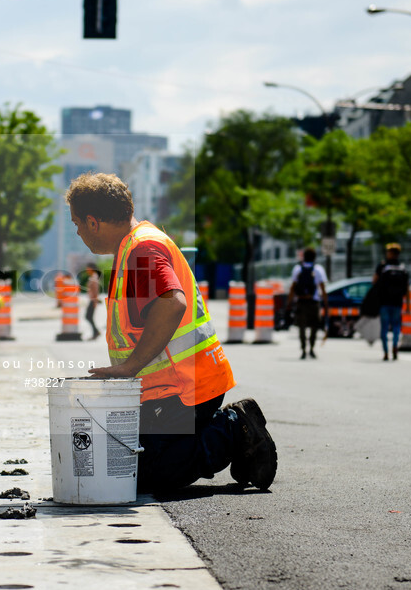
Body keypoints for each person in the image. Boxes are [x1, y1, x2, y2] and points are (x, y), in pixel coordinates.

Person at [65, 172, 277, 492]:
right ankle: (220, 432)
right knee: (123, 465)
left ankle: (235, 429)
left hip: (184, 389)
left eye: (77, 223)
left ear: (93, 222)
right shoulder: (135, 246)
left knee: (147, 474)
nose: (78, 232)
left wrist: (129, 367)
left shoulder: (142, 249)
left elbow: (172, 303)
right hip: (173, 389)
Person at [286, 247, 329, 360]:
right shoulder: (318, 269)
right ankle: (312, 348)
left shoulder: (297, 269)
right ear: (314, 257)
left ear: (303, 257)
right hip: (314, 302)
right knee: (314, 326)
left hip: (301, 302)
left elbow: (292, 288)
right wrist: (325, 303)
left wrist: (289, 303)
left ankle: (303, 349)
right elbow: (323, 288)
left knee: (302, 327)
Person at [373, 243, 410, 361]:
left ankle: (385, 352)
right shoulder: (403, 268)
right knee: (396, 327)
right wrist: (408, 305)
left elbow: (374, 282)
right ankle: (394, 346)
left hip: (384, 303)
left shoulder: (382, 266)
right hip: (397, 303)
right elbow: (407, 288)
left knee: (384, 328)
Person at [84, 263, 102, 340]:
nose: (86, 270)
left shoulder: (94, 277)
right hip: (92, 300)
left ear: (91, 268)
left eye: (88, 268)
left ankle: (96, 332)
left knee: (88, 316)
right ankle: (96, 332)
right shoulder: (93, 277)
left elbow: (95, 290)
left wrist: (95, 301)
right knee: (89, 317)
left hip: (93, 300)